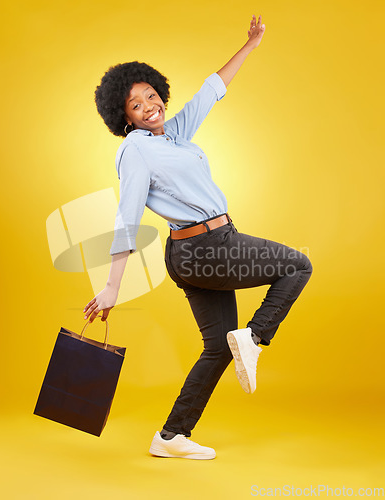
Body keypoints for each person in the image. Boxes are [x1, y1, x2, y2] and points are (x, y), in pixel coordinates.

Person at [84, 14, 312, 460]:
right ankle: (257, 336)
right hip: (206, 247)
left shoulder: (174, 135)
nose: (149, 105)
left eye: (151, 95)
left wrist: (250, 45)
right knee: (298, 265)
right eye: (136, 104)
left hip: (194, 251)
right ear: (123, 116)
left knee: (216, 347)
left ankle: (170, 436)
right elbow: (126, 217)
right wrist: (113, 285)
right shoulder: (135, 150)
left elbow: (211, 91)